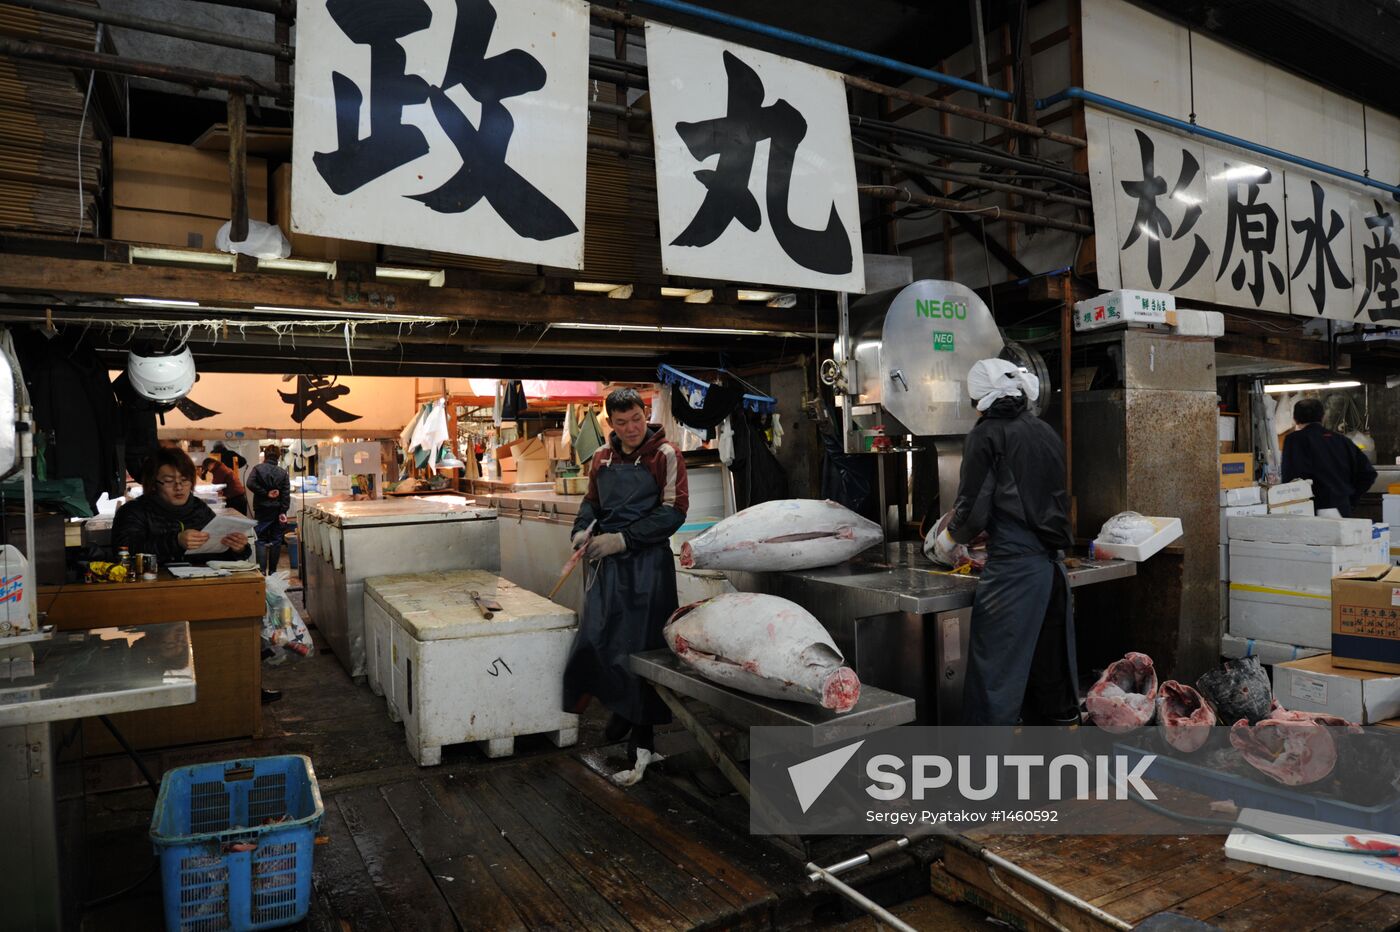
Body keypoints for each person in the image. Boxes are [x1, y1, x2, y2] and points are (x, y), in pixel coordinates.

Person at [931, 359, 1077, 726]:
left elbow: (975, 507)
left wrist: (948, 539)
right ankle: (1057, 767)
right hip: (1051, 570)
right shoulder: (1044, 430)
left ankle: (983, 775)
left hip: (1015, 571)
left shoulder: (987, 434)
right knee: (1050, 674)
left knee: (993, 677)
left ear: (980, 398)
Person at [563, 388, 689, 775]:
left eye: (636, 418)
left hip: (648, 564)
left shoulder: (666, 454)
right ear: (610, 424)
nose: (631, 428)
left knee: (644, 647)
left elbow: (674, 512)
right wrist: (582, 531)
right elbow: (592, 504)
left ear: (643, 414)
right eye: (621, 423)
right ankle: (621, 710)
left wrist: (623, 540)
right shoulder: (601, 457)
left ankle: (644, 730)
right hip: (608, 566)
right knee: (602, 639)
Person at [112, 447, 251, 566]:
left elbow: (217, 557)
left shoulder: (200, 509)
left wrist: (238, 549)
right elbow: (124, 552)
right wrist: (176, 541)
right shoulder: (133, 512)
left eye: (184, 480)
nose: (179, 487)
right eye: (169, 481)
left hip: (200, 587)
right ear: (153, 484)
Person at [1281, 398, 1376, 518]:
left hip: (1309, 511)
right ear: (1323, 417)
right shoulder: (1342, 440)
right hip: (1342, 509)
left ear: (1295, 419)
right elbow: (1368, 473)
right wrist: (1349, 498)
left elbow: (1289, 479)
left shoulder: (1294, 440)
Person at [246, 445, 292, 573]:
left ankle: (261, 572)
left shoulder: (257, 469)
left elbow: (250, 483)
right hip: (277, 510)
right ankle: (273, 572)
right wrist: (283, 511)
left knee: (260, 539)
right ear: (278, 457)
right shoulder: (283, 473)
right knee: (276, 540)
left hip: (261, 510)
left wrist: (265, 493)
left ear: (265, 455)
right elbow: (285, 494)